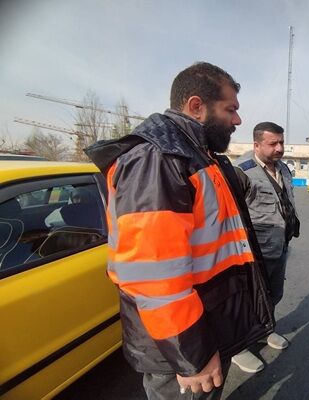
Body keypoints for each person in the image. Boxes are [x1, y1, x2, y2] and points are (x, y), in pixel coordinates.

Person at [85, 62, 274, 400]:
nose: (238, 120)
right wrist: (194, 355)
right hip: (181, 347)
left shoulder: (199, 154)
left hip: (208, 322)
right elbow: (153, 277)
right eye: (230, 109)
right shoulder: (158, 158)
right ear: (196, 106)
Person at [232, 122, 300, 373]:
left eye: (281, 142)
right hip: (252, 251)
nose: (279, 148)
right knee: (248, 299)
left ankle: (265, 330)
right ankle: (238, 347)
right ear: (256, 144)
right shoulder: (242, 170)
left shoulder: (282, 167)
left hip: (280, 244)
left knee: (273, 294)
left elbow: (286, 201)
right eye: (273, 144)